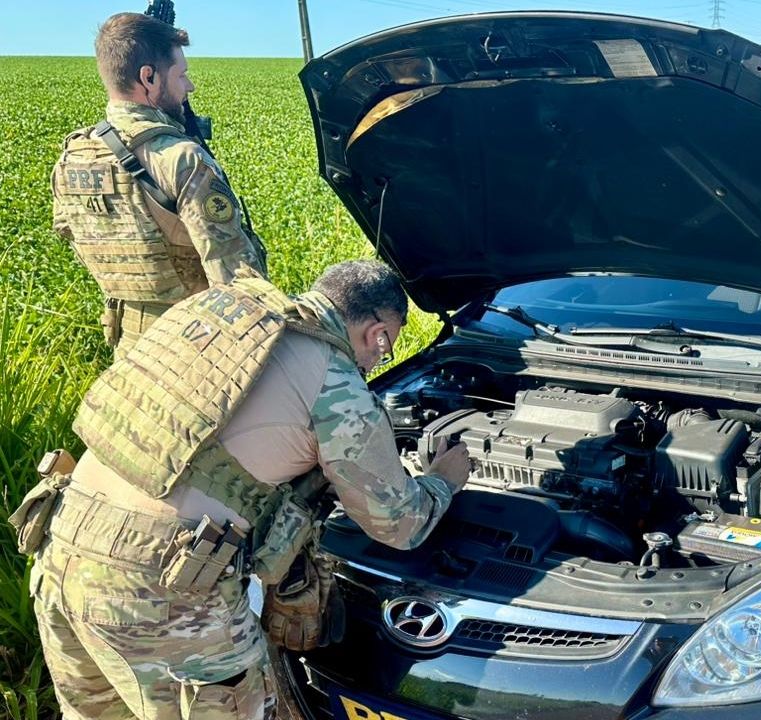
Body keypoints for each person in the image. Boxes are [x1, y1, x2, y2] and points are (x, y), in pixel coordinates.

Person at [10, 260, 470, 720]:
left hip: (60, 539)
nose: (374, 365)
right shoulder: (336, 384)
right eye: (384, 352)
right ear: (378, 334)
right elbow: (398, 524)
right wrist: (443, 479)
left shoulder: (218, 317)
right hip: (158, 587)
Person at [51, 12, 268, 356]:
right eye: (181, 75)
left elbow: (68, 230)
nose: (189, 87)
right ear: (148, 77)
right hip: (195, 344)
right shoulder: (180, 158)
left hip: (129, 346)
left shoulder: (73, 156)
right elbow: (237, 283)